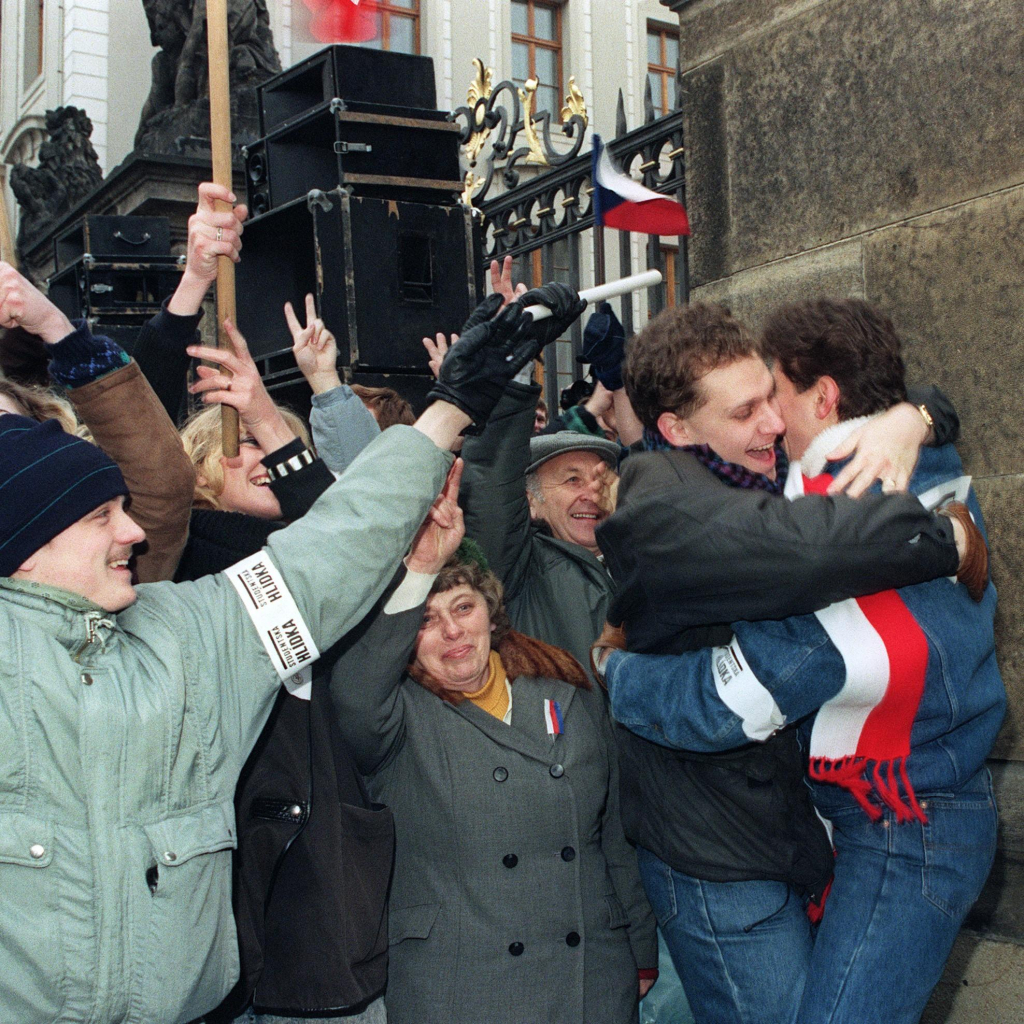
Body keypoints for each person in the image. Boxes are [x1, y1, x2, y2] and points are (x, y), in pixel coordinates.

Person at [0, 278, 549, 1023]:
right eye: (101, 517)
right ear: (24, 546)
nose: (133, 532)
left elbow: (330, 549)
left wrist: (450, 409)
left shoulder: (190, 630)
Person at [598, 297, 1003, 1024]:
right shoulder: (907, 469)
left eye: (773, 398)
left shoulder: (849, 490)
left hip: (898, 826)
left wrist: (615, 677)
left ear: (824, 396)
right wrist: (922, 428)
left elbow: (737, 696)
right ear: (677, 430)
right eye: (747, 410)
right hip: (774, 841)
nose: (773, 424)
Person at [328, 476, 657, 1024]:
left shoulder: (566, 691)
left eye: (463, 607)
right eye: (426, 621)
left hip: (588, 979)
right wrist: (421, 573)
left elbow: (615, 833)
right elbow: (355, 692)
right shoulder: (392, 717)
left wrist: (638, 945)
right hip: (460, 985)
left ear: (491, 609)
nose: (452, 632)